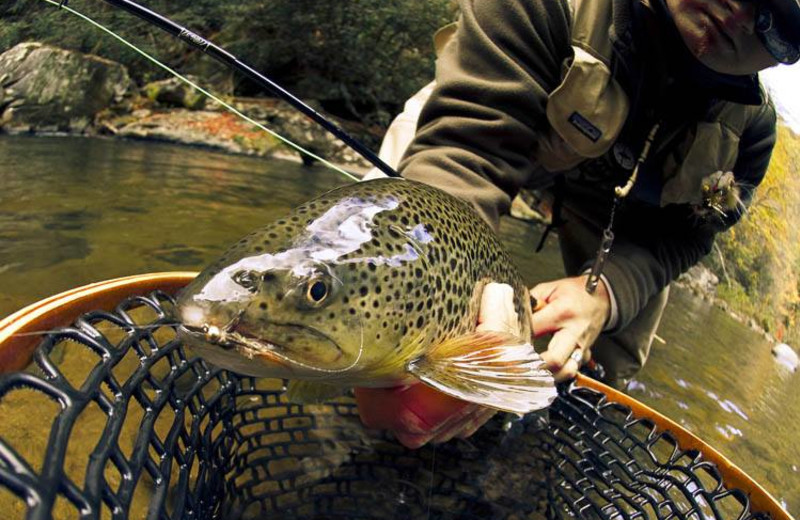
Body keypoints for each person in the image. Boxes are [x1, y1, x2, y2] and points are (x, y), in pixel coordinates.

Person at [356, 0, 799, 448]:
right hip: (486, 126)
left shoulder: (751, 135)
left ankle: (544, 437)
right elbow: (466, 150)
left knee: (605, 371)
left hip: (619, 217)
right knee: (370, 254)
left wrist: (604, 296)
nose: (742, 16)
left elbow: (685, 238)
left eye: (783, 21)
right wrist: (423, 299)